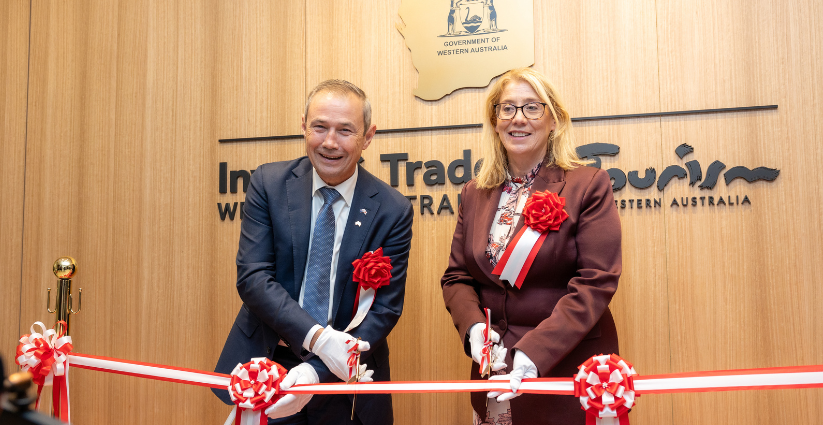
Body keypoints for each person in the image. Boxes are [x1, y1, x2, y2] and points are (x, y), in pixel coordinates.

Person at [213, 80, 414, 425]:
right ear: (304, 126)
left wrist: (316, 370)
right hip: (267, 368)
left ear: (368, 136)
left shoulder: (392, 209)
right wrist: (318, 339)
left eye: (345, 130)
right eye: (320, 127)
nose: (330, 142)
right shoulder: (268, 184)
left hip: (350, 376)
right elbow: (254, 278)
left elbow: (384, 309)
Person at [440, 67, 622, 425]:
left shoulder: (588, 185)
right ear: (494, 121)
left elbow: (596, 282)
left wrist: (535, 353)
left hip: (567, 369)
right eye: (506, 108)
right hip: (494, 379)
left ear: (553, 119)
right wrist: (474, 328)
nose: (517, 119)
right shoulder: (474, 192)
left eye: (531, 108)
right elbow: (457, 276)